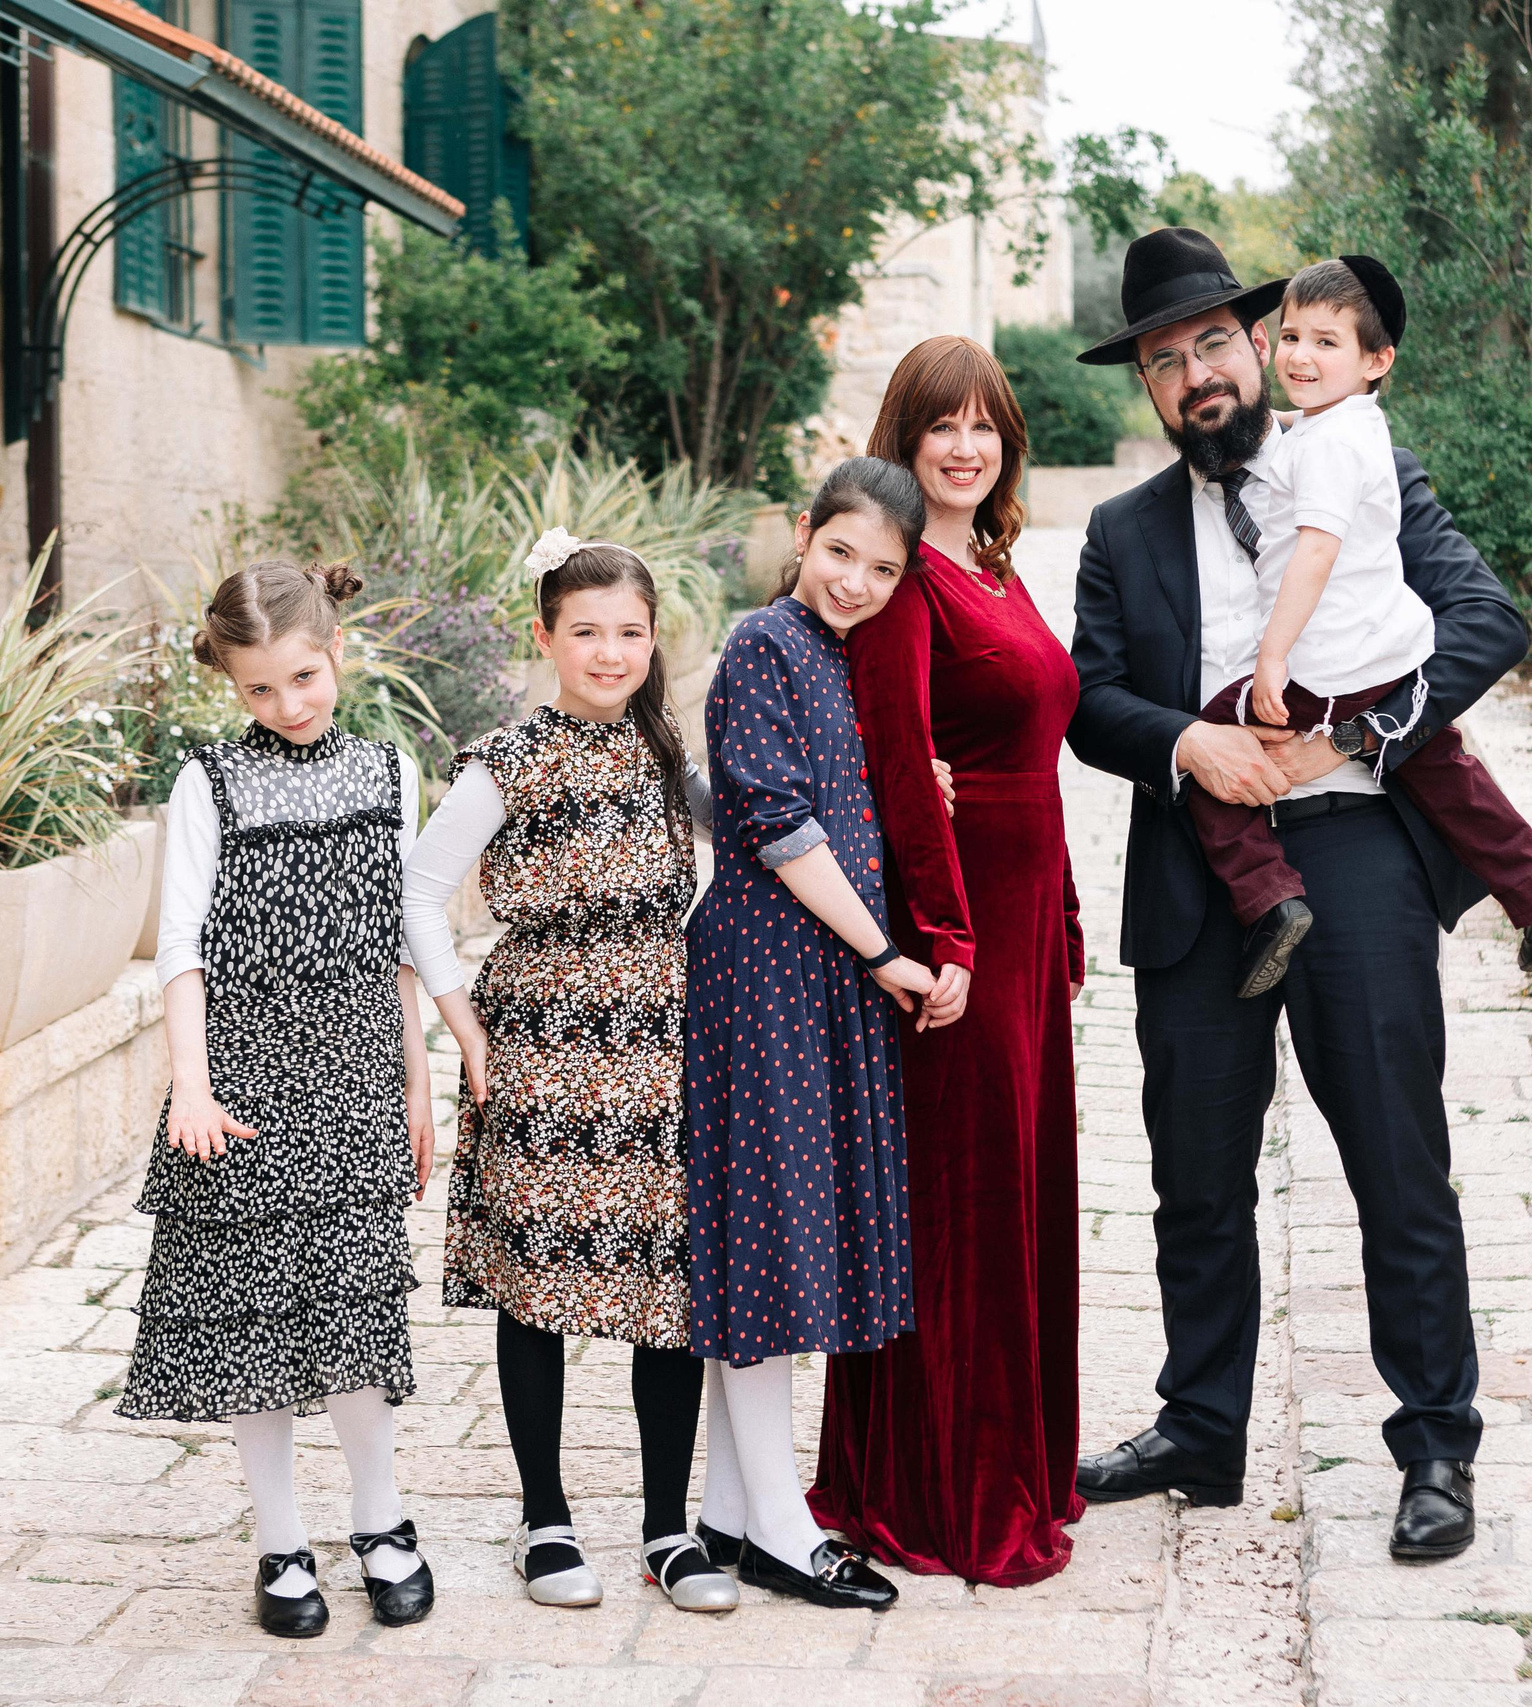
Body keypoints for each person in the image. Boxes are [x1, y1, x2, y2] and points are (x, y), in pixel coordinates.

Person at [1067, 227, 1529, 1562]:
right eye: (1166, 361)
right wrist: (1185, 743)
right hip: (1198, 877)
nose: (1196, 374)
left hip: (1358, 851)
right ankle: (1201, 1427)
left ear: (1259, 345)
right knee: (1195, 1175)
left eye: (1213, 343)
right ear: (1149, 385)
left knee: (1396, 1157)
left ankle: (1435, 1442)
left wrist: (1353, 738)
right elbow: (1089, 698)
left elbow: (1486, 621)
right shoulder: (1120, 531)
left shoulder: (1363, 465)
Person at [401, 535, 741, 1615]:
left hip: (660, 1044)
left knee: (667, 1284)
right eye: (585, 631)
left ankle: (666, 1529)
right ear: (543, 636)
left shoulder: (663, 748)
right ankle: (543, 1518)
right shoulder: (507, 760)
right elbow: (418, 892)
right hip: (541, 1045)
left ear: (654, 639)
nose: (608, 652)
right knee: (536, 1283)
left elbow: (758, 824)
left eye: (629, 632)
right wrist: (464, 1025)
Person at [807, 335, 1086, 1587]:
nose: (965, 448)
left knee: (1017, 1188)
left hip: (1024, 926)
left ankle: (1020, 1456)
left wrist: (1062, 911)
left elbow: (1035, 761)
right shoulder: (907, 581)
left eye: (984, 427)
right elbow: (897, 772)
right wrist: (947, 937)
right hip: (955, 932)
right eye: (941, 427)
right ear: (905, 441)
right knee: (960, 1203)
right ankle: (947, 1490)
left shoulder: (995, 566)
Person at [117, 558, 437, 1635]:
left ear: (336, 651)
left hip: (354, 1078)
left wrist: (418, 1085)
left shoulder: (391, 773)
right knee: (249, 1323)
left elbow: (400, 944)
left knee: (355, 1309)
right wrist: (191, 1088)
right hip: (243, 1086)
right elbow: (179, 945)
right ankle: (280, 1542)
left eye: (303, 677)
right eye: (260, 688)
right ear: (231, 683)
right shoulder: (208, 781)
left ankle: (381, 1521)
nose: (287, 704)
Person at [685, 457, 946, 1612]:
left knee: (784, 1237)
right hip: (766, 973)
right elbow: (778, 825)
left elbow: (842, 794)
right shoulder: (763, 644)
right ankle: (784, 1532)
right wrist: (884, 953)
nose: (855, 581)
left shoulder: (851, 659)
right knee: (767, 1245)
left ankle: (732, 1513)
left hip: (822, 976)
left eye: (882, 569)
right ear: (803, 534)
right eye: (841, 552)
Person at [1186, 256, 1532, 996]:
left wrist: (1272, 658)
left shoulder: (1327, 444)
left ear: (1378, 360)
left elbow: (1314, 551)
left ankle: (1270, 901)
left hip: (1324, 667)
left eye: (1326, 342)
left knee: (1209, 739)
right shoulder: (1349, 427)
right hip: (1389, 657)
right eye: (1292, 336)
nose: (1301, 356)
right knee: (1446, 767)